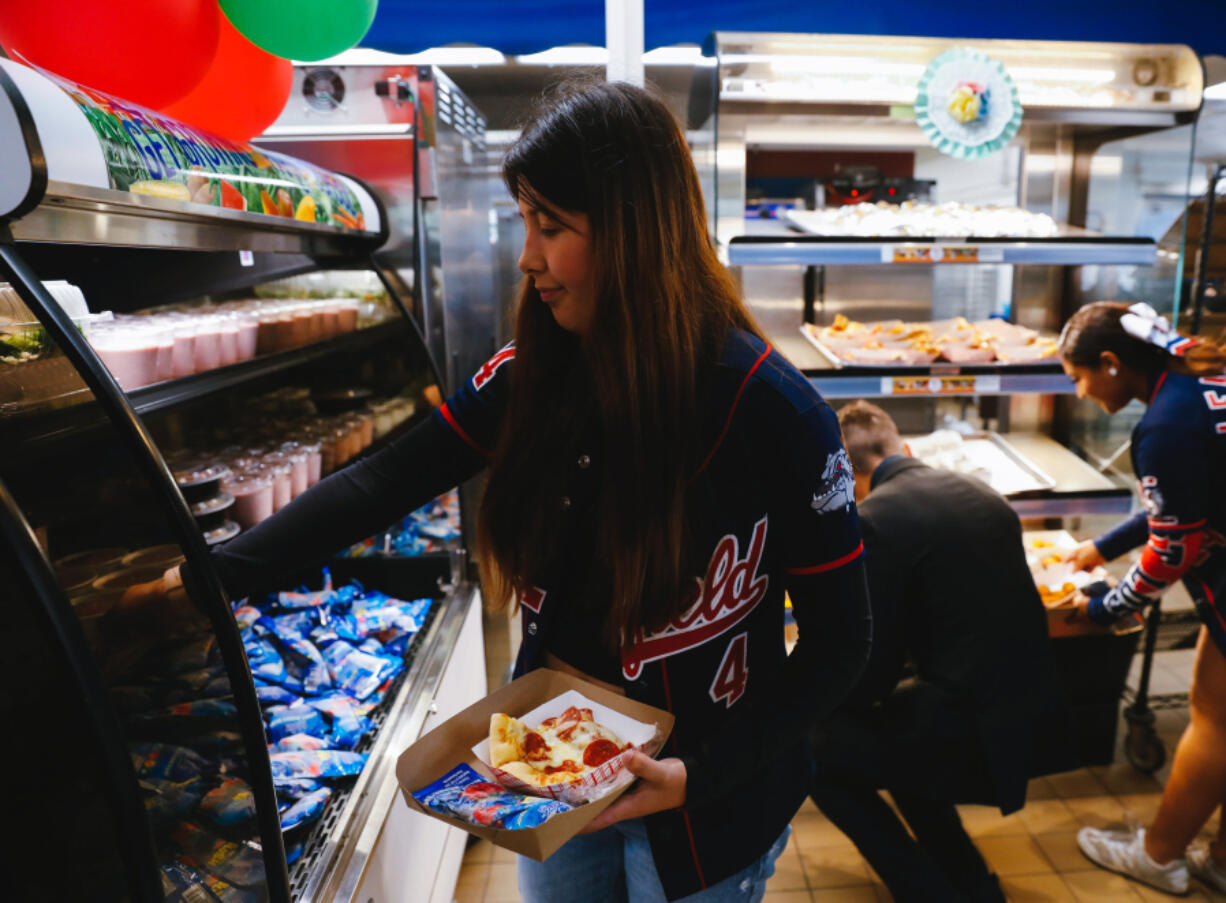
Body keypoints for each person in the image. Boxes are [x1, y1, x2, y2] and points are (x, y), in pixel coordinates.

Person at [126, 81, 872, 903]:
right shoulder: (536, 375)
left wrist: (698, 773)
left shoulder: (775, 410)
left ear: (632, 232)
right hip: (551, 762)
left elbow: (842, 643)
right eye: (526, 222)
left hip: (707, 800)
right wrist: (210, 575)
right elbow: (384, 479)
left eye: (551, 225)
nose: (528, 257)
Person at [808, 401, 1073, 903]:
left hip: (972, 726)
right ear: (903, 448)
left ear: (846, 473)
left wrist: (818, 699)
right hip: (1032, 712)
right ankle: (973, 883)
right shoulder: (982, 493)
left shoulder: (876, 518)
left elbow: (875, 666)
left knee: (816, 754)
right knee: (902, 742)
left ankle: (926, 892)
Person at [1061, 301, 1226, 896]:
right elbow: (1190, 501)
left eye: (1077, 378)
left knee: (1215, 724)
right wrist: (1102, 548)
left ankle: (1158, 858)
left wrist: (1108, 606)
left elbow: (1174, 548)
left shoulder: (1163, 424)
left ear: (1110, 364)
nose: (1079, 393)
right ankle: (1222, 859)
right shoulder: (1201, 380)